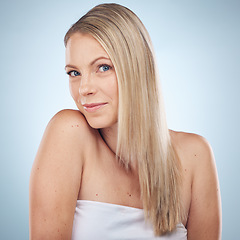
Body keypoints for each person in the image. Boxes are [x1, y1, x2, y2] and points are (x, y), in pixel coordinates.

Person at [29, 3, 221, 240]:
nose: (84, 89)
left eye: (103, 67)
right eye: (74, 73)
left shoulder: (194, 156)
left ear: (137, 68)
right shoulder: (69, 132)